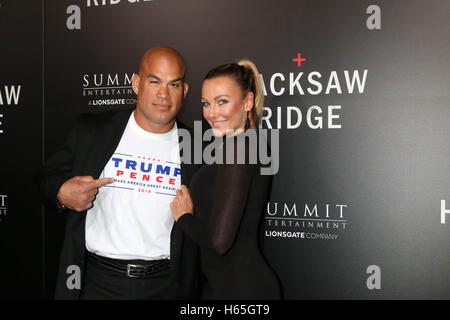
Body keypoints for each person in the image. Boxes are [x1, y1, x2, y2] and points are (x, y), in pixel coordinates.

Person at [38, 46, 200, 300]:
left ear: (185, 91)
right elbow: (43, 178)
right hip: (98, 284)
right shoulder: (93, 131)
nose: (163, 94)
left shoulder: (198, 145)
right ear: (136, 83)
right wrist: (61, 192)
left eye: (174, 85)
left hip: (167, 286)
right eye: (154, 81)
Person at [170, 59, 282, 299]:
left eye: (222, 101)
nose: (212, 112)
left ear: (248, 101)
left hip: (242, 291)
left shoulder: (241, 147)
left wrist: (184, 217)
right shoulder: (244, 145)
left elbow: (219, 242)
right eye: (206, 103)